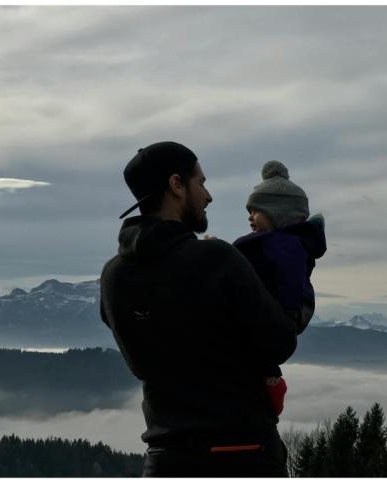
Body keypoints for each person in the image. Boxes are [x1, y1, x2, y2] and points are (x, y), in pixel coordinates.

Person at [99, 141, 297, 477]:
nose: (208, 196)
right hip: (242, 454)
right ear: (176, 185)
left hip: (165, 459)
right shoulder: (216, 259)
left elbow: (142, 363)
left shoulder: (113, 277)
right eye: (201, 183)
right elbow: (281, 341)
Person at [231, 160, 326, 417]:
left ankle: (272, 386)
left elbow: (290, 281)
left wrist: (289, 312)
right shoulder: (272, 244)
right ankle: (271, 384)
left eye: (256, 211)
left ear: (277, 213)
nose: (250, 217)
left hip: (272, 316)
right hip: (264, 317)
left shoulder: (284, 246)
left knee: (260, 360)